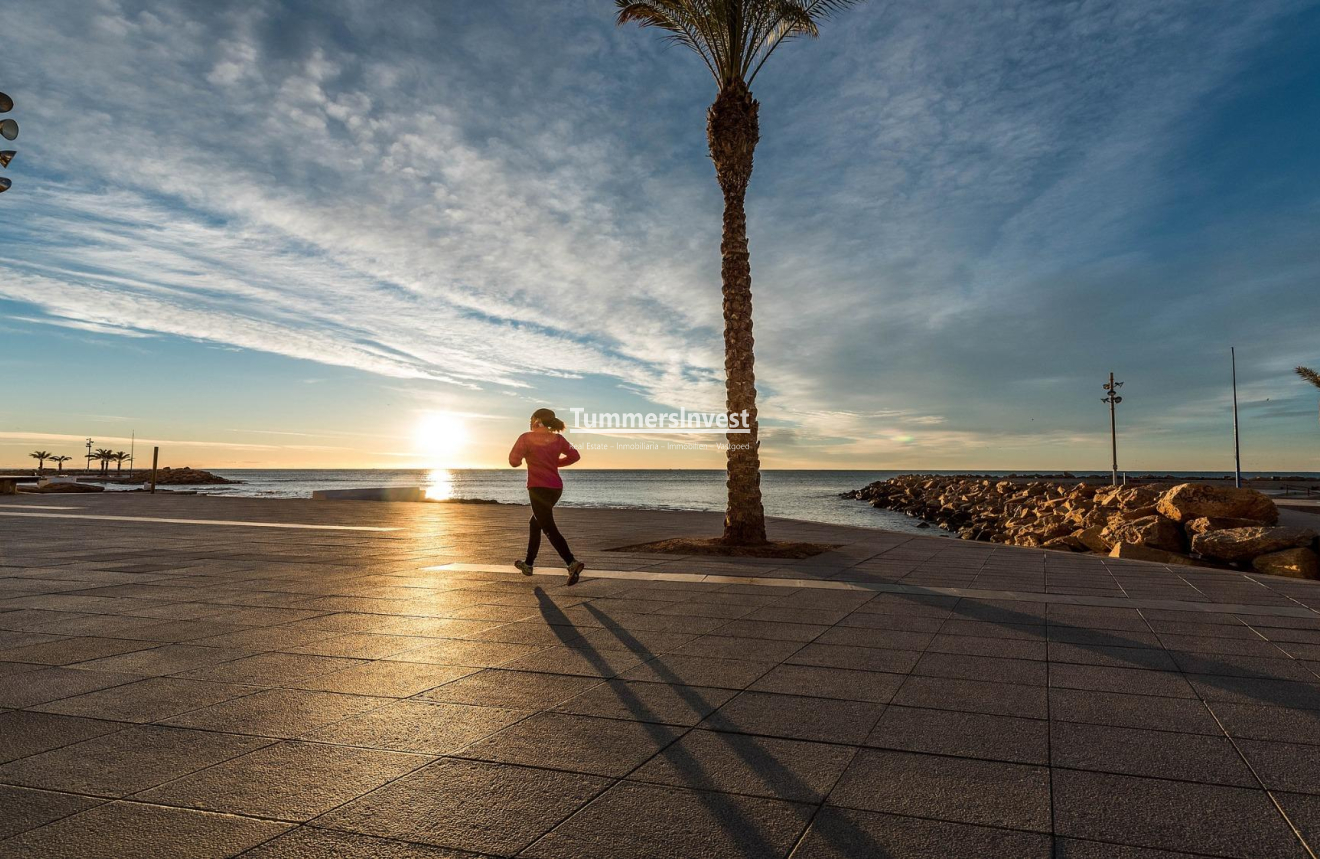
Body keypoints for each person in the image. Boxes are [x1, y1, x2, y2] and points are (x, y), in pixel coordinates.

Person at [508, 408, 585, 585]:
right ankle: (528, 564)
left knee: (548, 527)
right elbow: (575, 456)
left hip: (538, 488)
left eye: (531, 418)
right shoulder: (558, 438)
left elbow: (513, 462)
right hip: (556, 488)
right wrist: (555, 462)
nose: (529, 421)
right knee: (535, 523)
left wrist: (522, 458)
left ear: (536, 420)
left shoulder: (526, 437)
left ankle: (571, 562)